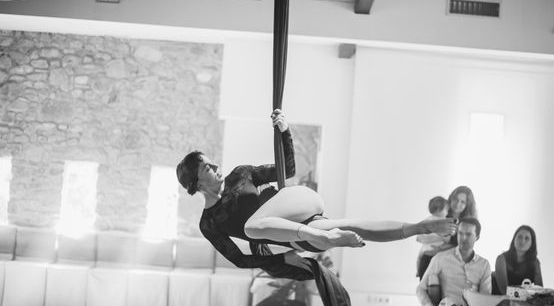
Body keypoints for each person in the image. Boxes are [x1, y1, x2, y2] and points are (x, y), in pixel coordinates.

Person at [176, 109, 458, 277]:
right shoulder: (209, 223)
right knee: (351, 226)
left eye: (211, 162)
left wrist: (285, 131)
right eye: (207, 168)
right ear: (196, 184)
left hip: (298, 201)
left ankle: (322, 237)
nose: (215, 166)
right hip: (300, 231)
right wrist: (281, 259)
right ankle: (416, 226)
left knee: (252, 228)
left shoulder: (241, 174)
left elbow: (288, 169)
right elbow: (239, 260)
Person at [417, 217, 491, 306]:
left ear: (477, 237)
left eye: (468, 234)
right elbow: (420, 289)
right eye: (460, 233)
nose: (463, 238)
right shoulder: (441, 258)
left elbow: (485, 299)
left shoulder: (484, 264)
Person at [493, 225, 543, 294]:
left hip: (523, 302)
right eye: (520, 237)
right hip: (501, 301)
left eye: (527, 238)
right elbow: (504, 291)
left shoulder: (535, 262)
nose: (522, 241)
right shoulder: (501, 259)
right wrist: (528, 294)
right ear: (514, 239)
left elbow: (540, 290)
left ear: (531, 244)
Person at [415, 196, 451, 279]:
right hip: (438, 247)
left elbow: (418, 235)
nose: (447, 212)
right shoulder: (444, 221)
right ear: (439, 209)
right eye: (446, 210)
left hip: (428, 247)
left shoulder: (427, 220)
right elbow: (447, 237)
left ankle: (418, 271)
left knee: (419, 257)